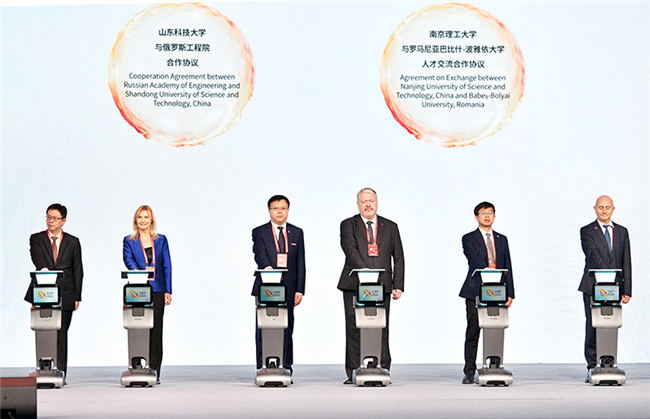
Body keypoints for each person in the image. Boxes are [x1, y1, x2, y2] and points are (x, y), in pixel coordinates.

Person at [337, 188, 404, 384]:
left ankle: (382, 367)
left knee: (381, 326)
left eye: (371, 201)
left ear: (377, 202)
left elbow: (398, 256)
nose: (368, 205)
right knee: (354, 327)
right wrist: (364, 269)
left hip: (382, 284)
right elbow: (349, 249)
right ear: (358, 204)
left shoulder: (390, 226)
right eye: (364, 201)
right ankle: (353, 370)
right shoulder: (348, 224)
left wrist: (398, 284)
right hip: (354, 283)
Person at [24, 203, 83, 384]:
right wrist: (46, 273)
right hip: (43, 291)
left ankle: (61, 372)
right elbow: (37, 258)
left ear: (63, 221)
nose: (51, 221)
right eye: (48, 217)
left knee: (62, 332)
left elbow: (78, 270)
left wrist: (77, 296)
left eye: (55, 218)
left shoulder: (73, 241)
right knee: (44, 330)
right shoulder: (37, 238)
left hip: (66, 292)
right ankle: (43, 368)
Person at [459, 201, 514, 384]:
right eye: (483, 212)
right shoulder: (469, 238)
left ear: (494, 216)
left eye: (490, 212)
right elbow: (473, 258)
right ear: (477, 217)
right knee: (473, 331)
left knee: (495, 328)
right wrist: (488, 269)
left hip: (498, 291)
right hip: (475, 289)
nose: (487, 215)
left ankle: (494, 366)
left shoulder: (502, 239)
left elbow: (508, 265)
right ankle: (469, 371)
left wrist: (510, 292)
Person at [579, 195, 631, 381]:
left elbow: (626, 261)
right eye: (600, 207)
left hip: (615, 288)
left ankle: (609, 363)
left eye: (607, 207)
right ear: (595, 209)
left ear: (613, 209)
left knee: (610, 323)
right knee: (593, 325)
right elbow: (592, 255)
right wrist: (608, 274)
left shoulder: (622, 232)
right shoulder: (587, 231)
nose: (604, 211)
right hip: (593, 286)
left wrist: (627, 290)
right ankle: (592, 366)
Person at [252, 195, 306, 374]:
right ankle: (262, 366)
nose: (280, 212)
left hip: (289, 288)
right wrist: (268, 270)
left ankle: (286, 366)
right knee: (264, 327)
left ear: (288, 210)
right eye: (275, 208)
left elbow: (300, 262)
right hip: (266, 286)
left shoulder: (297, 232)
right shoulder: (259, 231)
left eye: (283, 208)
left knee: (287, 327)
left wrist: (300, 289)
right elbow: (259, 253)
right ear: (269, 211)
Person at [123, 205, 172, 385]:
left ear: (151, 220)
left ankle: (155, 370)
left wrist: (168, 290)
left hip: (157, 289)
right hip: (138, 290)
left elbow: (166, 265)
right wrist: (140, 270)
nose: (143, 220)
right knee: (138, 328)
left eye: (146, 217)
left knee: (156, 330)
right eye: (139, 217)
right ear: (135, 221)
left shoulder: (161, 240)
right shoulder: (129, 240)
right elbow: (128, 259)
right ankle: (137, 367)